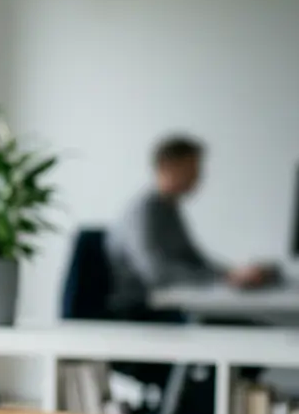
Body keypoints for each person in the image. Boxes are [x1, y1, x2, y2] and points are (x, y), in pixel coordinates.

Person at [105, 135, 277, 319]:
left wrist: (231, 274)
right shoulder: (144, 210)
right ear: (166, 166)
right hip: (141, 308)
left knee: (244, 321)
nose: (198, 177)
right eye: (191, 169)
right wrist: (220, 279)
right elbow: (155, 271)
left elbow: (194, 258)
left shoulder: (170, 208)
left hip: (170, 302)